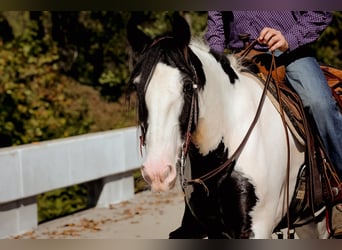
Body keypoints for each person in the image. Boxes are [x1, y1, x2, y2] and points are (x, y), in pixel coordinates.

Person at [205, 10, 342, 189]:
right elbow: (216, 28)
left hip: (290, 53)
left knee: (320, 104)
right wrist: (213, 63)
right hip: (238, 57)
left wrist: (289, 38)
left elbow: (320, 11)